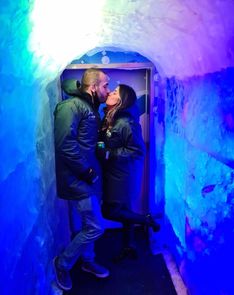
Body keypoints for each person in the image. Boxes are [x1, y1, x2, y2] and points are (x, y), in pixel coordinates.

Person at [53, 68, 110, 291]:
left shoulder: (89, 107)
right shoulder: (71, 106)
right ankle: (62, 263)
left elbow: (84, 143)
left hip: (87, 178)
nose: (108, 90)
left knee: (87, 224)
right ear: (93, 86)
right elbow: (65, 144)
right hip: (78, 180)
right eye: (105, 85)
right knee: (95, 227)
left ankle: (87, 261)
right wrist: (87, 172)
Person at [97, 84, 160, 262]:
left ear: (121, 101)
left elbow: (138, 151)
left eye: (115, 92)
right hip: (115, 173)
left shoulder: (126, 123)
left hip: (121, 176)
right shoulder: (111, 118)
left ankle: (146, 219)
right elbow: (105, 142)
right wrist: (102, 147)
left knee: (109, 211)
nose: (109, 92)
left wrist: (110, 154)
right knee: (123, 210)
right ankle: (128, 246)